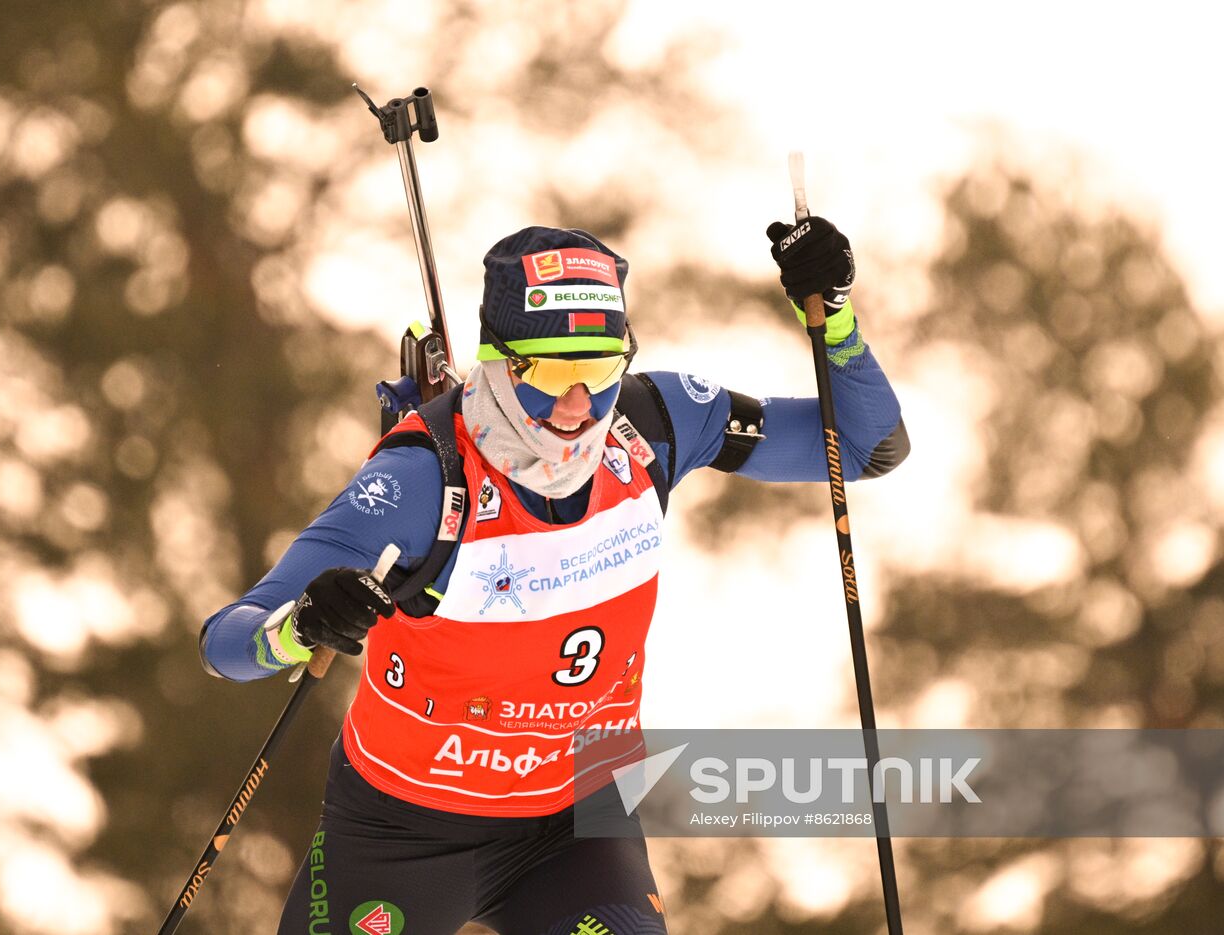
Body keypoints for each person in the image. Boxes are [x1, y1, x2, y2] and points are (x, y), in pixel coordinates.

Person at [200, 219, 909, 935]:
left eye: (599, 370)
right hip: (403, 833)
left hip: (579, 825)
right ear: (496, 361)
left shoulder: (655, 422)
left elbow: (865, 446)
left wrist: (837, 321)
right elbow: (225, 643)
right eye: (546, 373)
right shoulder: (421, 480)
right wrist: (299, 628)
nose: (577, 406)